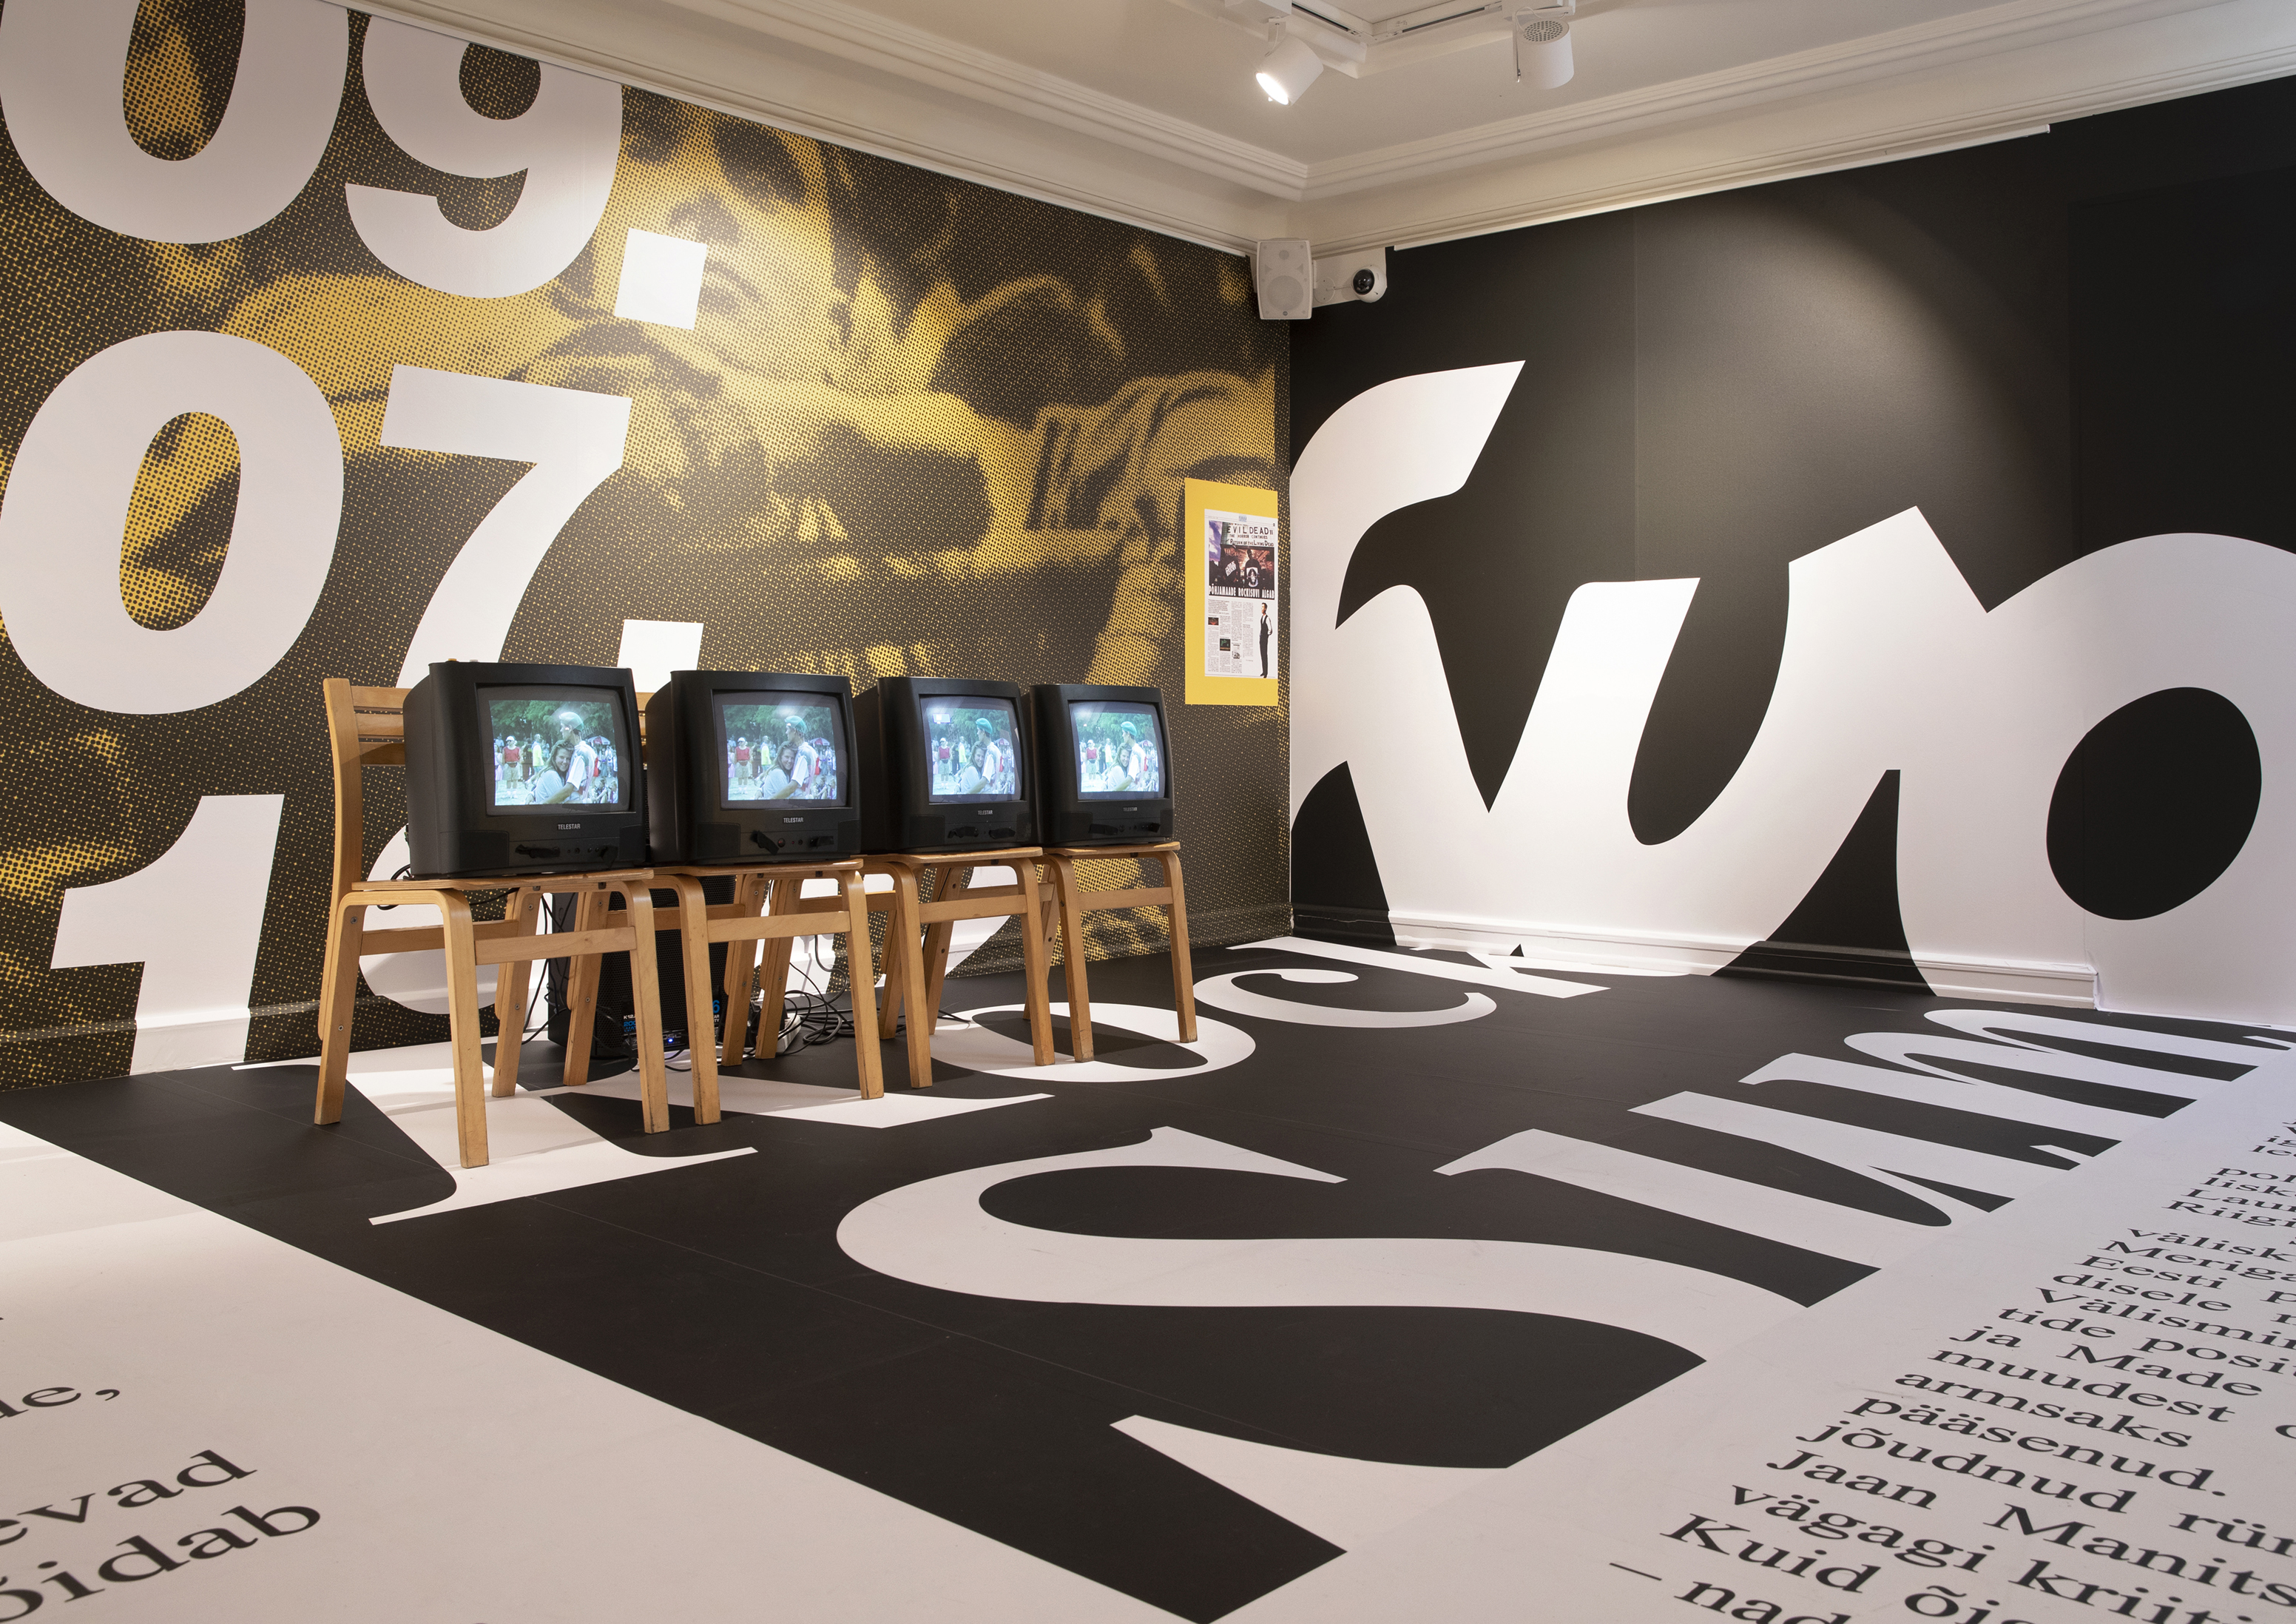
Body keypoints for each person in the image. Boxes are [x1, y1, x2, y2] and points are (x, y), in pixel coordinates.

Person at [1258, 602, 1272, 678]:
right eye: (1261, 607)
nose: (1262, 609)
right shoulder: (1262, 617)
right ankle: (1263, 671)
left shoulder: (1267, 618)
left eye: (1263, 607)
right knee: (1262, 655)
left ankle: (1266, 673)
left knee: (1265, 655)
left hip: (1264, 639)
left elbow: (1270, 630)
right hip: (1261, 639)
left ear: (1265, 609)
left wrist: (1266, 636)